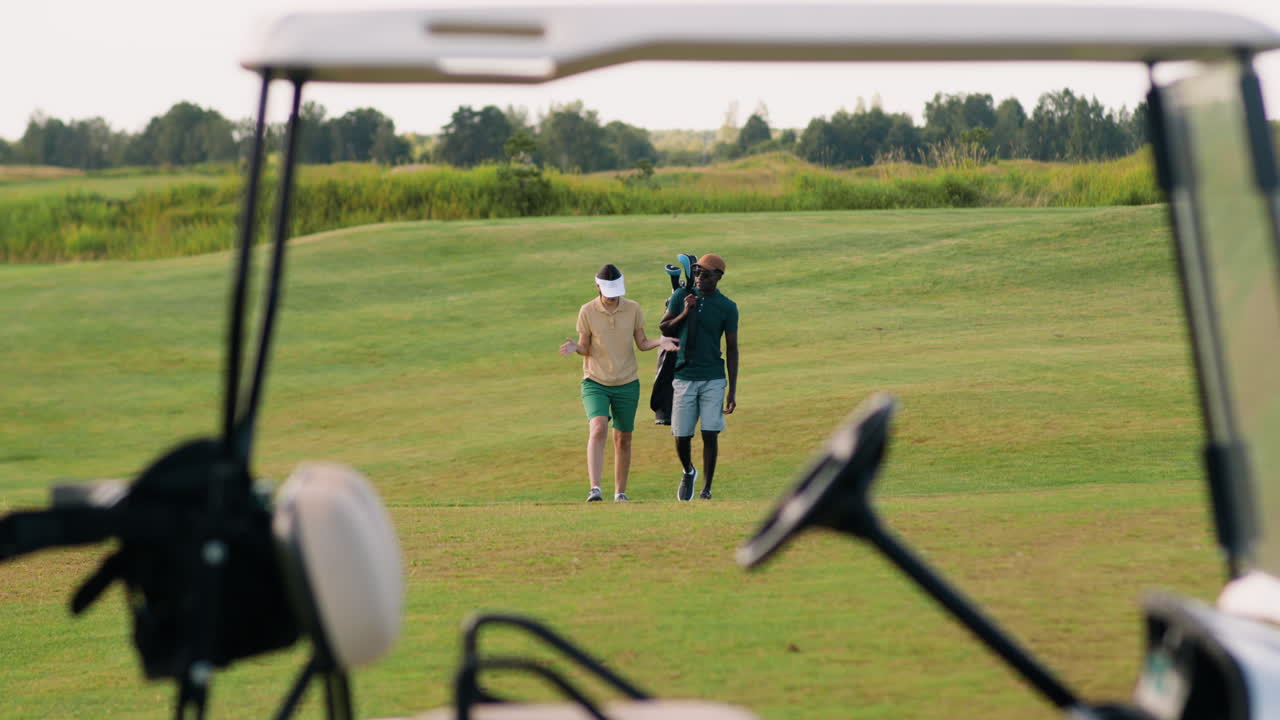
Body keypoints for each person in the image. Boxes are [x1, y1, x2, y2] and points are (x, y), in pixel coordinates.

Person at [560, 264, 679, 502]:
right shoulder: (587, 311)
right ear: (597, 287)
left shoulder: (633, 308)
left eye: (617, 291)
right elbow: (585, 347)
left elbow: (642, 342)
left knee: (623, 437)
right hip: (595, 381)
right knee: (598, 428)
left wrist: (660, 342)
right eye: (609, 291)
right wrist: (575, 348)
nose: (614, 296)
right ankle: (595, 489)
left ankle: (620, 493)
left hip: (627, 382)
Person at [658, 253, 738, 501]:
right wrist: (685, 311)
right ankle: (688, 470)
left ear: (718, 277)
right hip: (684, 374)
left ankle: (706, 489)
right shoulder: (682, 296)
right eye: (696, 272)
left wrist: (732, 390)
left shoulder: (728, 307)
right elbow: (664, 328)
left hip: (713, 376)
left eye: (705, 274)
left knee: (710, 431)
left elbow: (732, 348)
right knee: (681, 434)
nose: (700, 277)